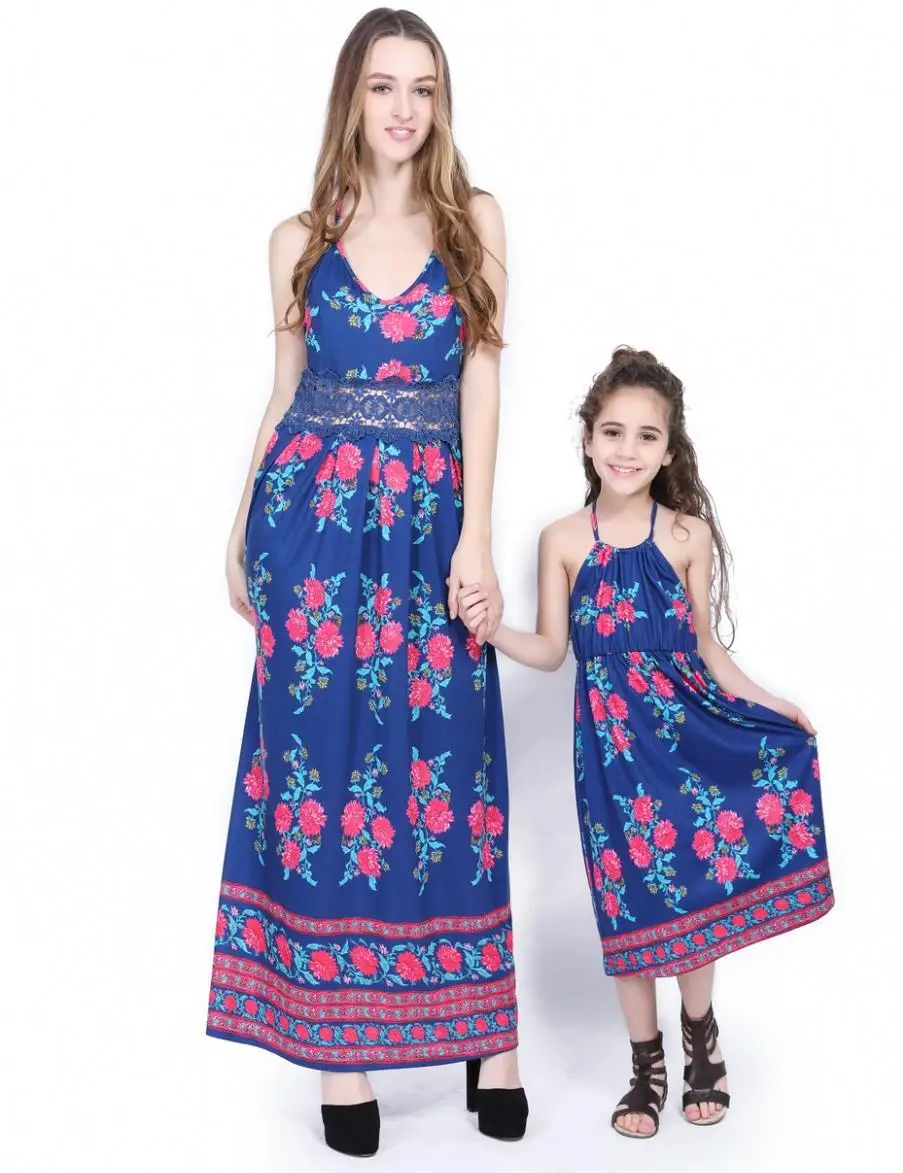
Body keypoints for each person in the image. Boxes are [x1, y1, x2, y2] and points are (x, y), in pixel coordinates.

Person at [207, 8, 527, 1157]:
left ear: (441, 104)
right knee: (322, 770)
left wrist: (477, 538)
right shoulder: (298, 238)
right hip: (314, 533)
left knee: (453, 767)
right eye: (384, 86)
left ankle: (492, 1039)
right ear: (351, 97)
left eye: (423, 88)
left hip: (433, 529)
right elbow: (284, 391)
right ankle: (339, 1057)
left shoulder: (474, 219)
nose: (404, 108)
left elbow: (482, 383)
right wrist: (240, 526)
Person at [459, 346, 833, 1139]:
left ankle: (700, 1037)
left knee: (692, 889)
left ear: (668, 450)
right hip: (610, 756)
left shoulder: (687, 535)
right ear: (587, 439)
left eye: (646, 436)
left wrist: (771, 704)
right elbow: (551, 651)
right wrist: (491, 632)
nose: (627, 449)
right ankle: (645, 1063)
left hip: (689, 743)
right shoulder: (563, 539)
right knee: (626, 900)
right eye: (612, 432)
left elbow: (706, 650)